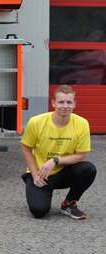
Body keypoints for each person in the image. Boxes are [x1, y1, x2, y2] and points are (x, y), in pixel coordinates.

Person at [21, 85, 97, 220]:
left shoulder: (82, 123)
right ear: (53, 103)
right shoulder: (37, 122)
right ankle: (39, 189)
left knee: (88, 169)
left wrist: (56, 160)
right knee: (39, 211)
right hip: (41, 174)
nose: (65, 106)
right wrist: (34, 174)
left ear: (75, 104)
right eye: (61, 102)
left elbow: (81, 155)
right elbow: (26, 148)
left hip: (64, 172)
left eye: (69, 102)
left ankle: (69, 203)